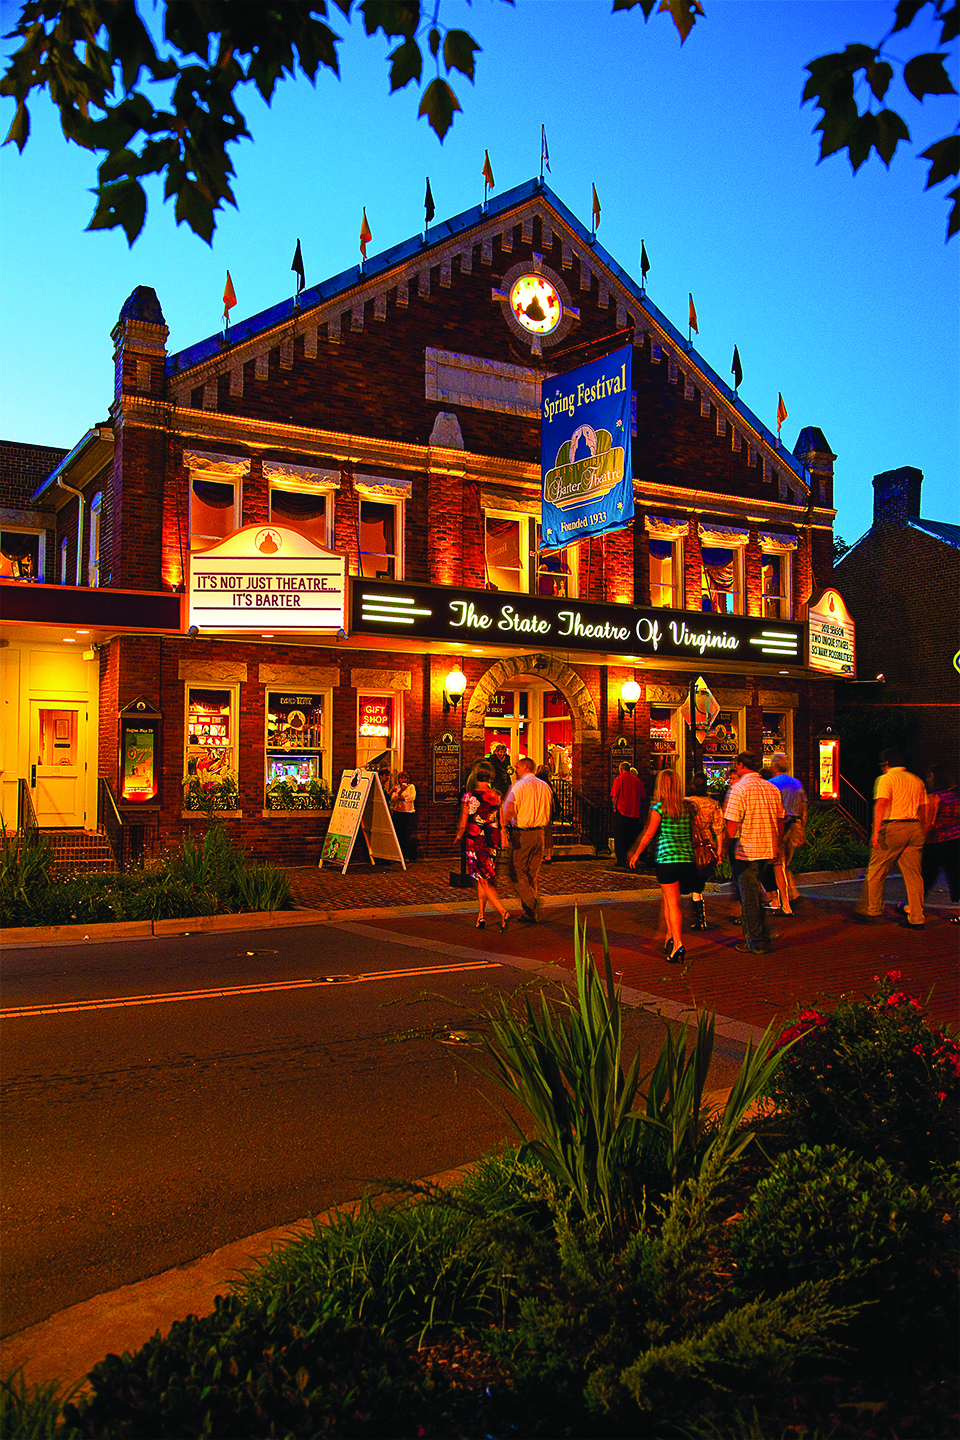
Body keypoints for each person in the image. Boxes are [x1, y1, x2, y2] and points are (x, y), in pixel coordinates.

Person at [853, 747, 927, 929]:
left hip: (893, 826)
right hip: (914, 827)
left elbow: (881, 804)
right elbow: (924, 807)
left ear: (886, 764)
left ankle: (873, 909)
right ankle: (917, 917)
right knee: (914, 876)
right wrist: (922, 829)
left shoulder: (886, 779)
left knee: (877, 870)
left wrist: (876, 831)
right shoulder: (916, 780)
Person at [627, 768, 695, 964]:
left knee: (672, 904)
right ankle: (669, 937)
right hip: (687, 858)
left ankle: (678, 943)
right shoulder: (689, 807)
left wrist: (637, 854)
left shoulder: (659, 808)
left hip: (667, 859)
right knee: (669, 900)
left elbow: (649, 834)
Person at [724, 752, 785, 955]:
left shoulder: (739, 789)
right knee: (757, 892)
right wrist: (777, 843)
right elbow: (779, 819)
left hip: (746, 850)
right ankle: (765, 930)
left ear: (741, 766)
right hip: (767, 848)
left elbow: (732, 824)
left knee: (748, 896)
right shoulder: (771, 788)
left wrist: (724, 846)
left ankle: (756, 940)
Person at [454, 763, 510, 930]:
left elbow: (464, 823)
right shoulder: (496, 795)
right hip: (492, 839)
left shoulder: (469, 796)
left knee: (484, 880)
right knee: (483, 877)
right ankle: (481, 915)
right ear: (490, 777)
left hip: (476, 838)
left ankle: (502, 911)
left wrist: (458, 836)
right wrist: (503, 835)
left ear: (476, 777)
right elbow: (502, 820)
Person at [501, 756, 554, 922]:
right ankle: (529, 912)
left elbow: (509, 808)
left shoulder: (519, 785)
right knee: (531, 873)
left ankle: (531, 903)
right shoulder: (545, 786)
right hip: (540, 833)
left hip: (523, 833)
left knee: (516, 870)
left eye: (517, 768)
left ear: (524, 767)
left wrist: (503, 824)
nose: (515, 771)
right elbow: (550, 808)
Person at [917, 765, 960, 921]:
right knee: (955, 875)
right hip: (955, 840)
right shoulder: (954, 796)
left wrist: (922, 836)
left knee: (927, 875)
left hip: (936, 841)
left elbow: (929, 823)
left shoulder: (934, 797)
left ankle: (916, 906)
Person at [684, 772, 725, 931]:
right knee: (698, 880)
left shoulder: (686, 803)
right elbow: (719, 829)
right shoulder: (713, 804)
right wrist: (719, 851)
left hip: (688, 846)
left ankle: (699, 916)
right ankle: (700, 917)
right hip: (706, 846)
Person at [768, 752, 807, 915]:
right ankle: (792, 892)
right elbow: (803, 807)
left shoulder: (771, 784)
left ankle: (782, 900)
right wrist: (802, 828)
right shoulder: (796, 784)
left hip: (779, 826)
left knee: (778, 863)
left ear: (774, 766)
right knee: (785, 862)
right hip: (795, 825)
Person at [610, 760, 646, 869]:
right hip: (634, 813)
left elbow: (615, 795)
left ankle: (621, 860)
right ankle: (632, 858)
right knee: (632, 837)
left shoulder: (619, 779)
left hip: (622, 811)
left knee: (620, 837)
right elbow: (643, 795)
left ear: (620, 769)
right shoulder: (637, 781)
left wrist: (614, 807)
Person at [388, 771, 417, 861]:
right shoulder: (397, 787)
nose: (403, 780)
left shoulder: (411, 787)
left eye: (404, 778)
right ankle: (398, 855)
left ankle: (406, 855)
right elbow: (393, 798)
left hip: (408, 812)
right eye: (401, 778)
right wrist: (400, 792)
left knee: (406, 834)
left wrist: (403, 798)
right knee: (398, 833)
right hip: (398, 812)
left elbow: (412, 798)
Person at [536, 764, 558, 862]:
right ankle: (548, 854)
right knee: (548, 832)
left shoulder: (537, 783)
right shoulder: (549, 784)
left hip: (539, 808)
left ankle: (539, 854)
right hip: (547, 809)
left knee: (538, 832)